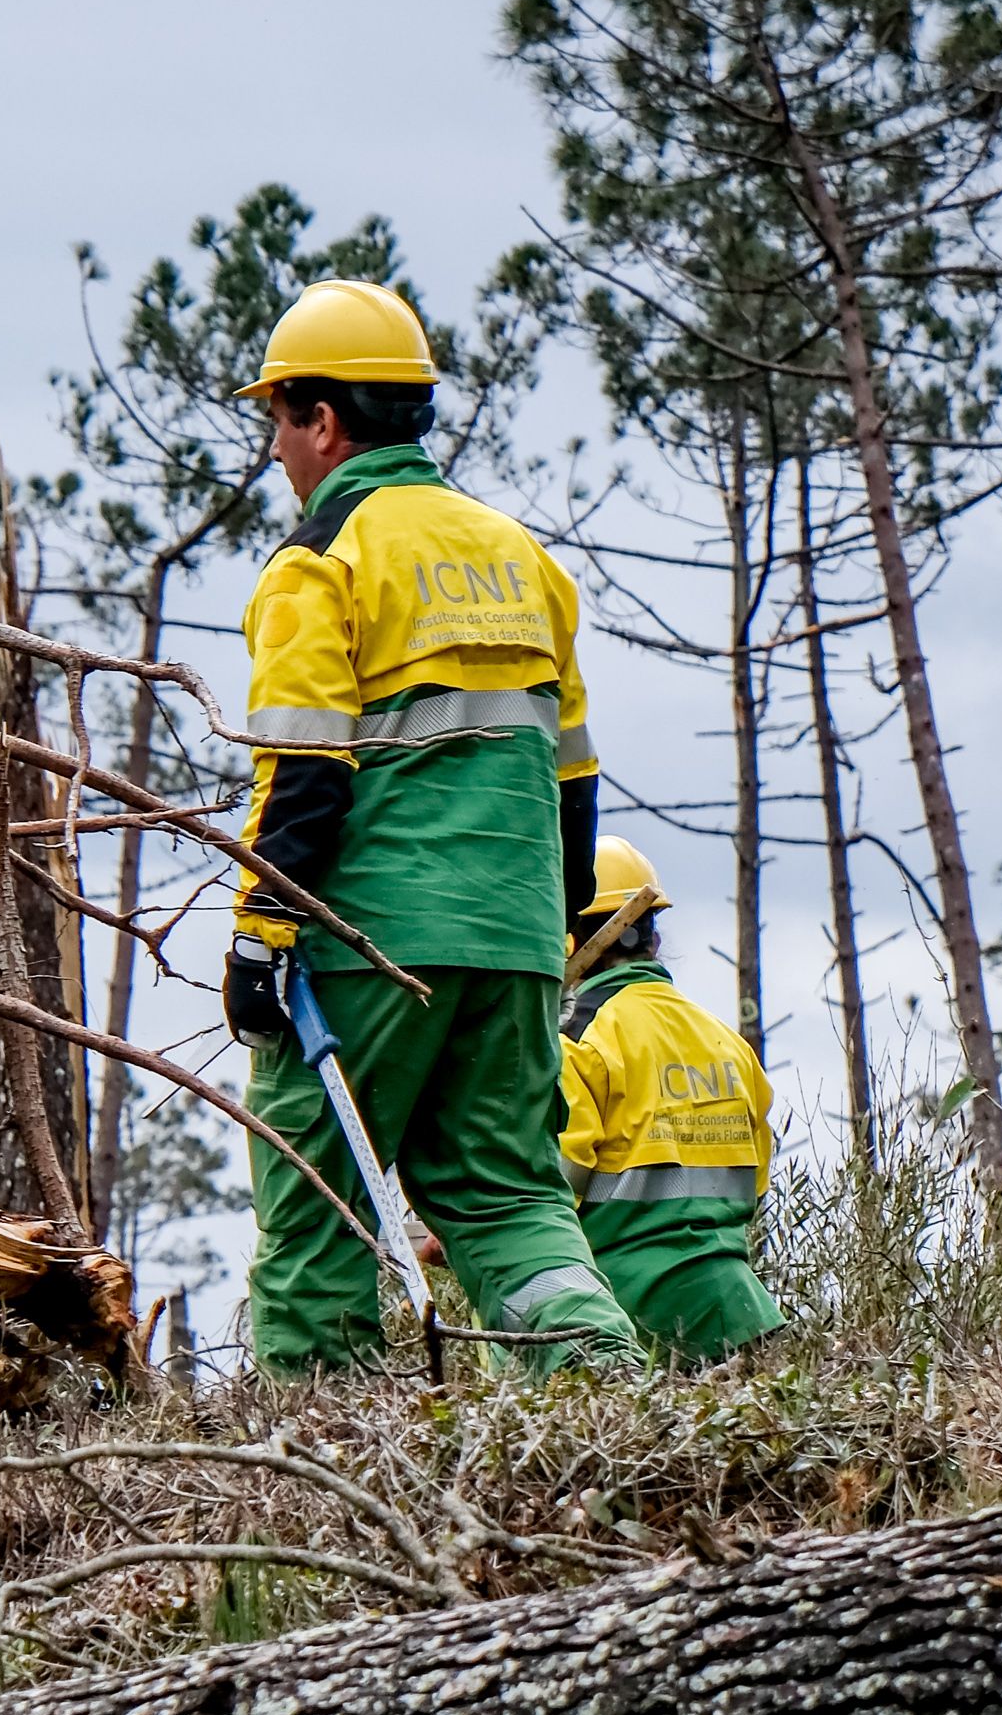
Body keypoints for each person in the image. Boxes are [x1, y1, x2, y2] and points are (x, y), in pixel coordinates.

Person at [219, 278, 640, 1375]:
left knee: (318, 1200)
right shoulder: (521, 557)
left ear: (322, 419)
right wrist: (550, 933)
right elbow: (573, 778)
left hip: (369, 943)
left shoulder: (321, 561)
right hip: (516, 938)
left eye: (279, 421)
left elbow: (304, 775)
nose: (276, 449)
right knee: (507, 1194)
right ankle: (598, 1372)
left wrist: (260, 937)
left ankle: (317, 1440)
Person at [557, 837, 783, 1364]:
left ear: (565, 939)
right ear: (653, 939)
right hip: (739, 1319)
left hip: (617, 1322)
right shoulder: (725, 1041)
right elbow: (754, 1184)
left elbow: (547, 1191)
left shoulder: (574, 1041)